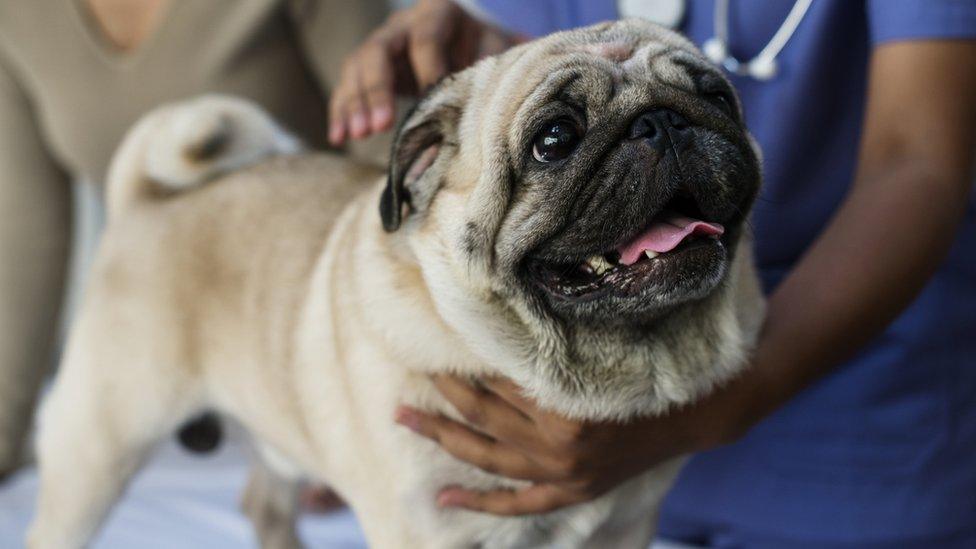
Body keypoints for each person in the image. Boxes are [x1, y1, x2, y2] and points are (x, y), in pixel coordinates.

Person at [330, 0, 976, 546]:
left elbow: (917, 160)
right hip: (569, 464)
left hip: (856, 453)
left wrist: (710, 413)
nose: (657, 136)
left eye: (704, 99)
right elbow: (512, 45)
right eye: (556, 139)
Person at [0, 0, 389, 479]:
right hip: (158, 365)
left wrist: (371, 407)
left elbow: (392, 161)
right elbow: (25, 236)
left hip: (326, 368)